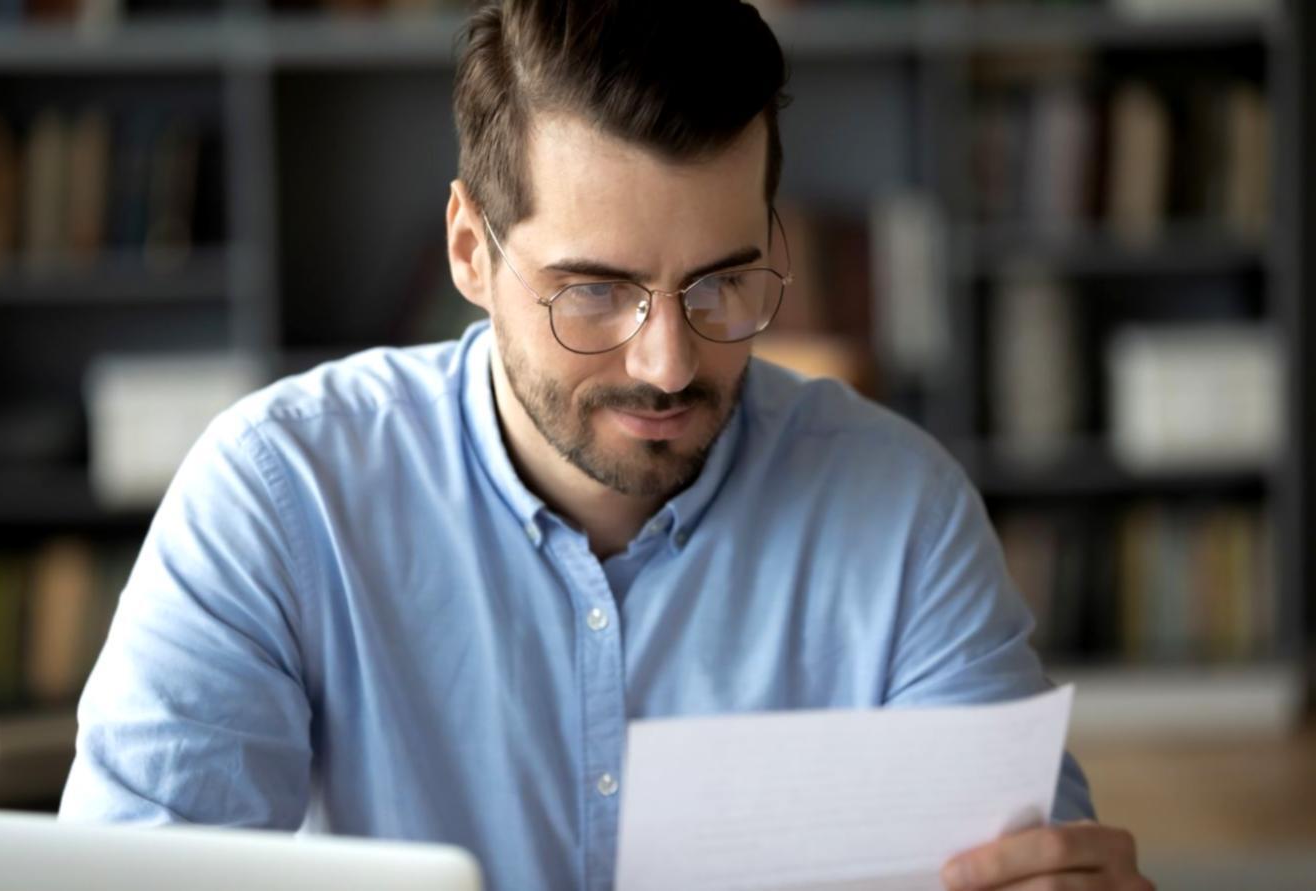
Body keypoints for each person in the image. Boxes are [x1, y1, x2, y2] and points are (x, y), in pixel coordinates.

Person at [60, 2, 1152, 889]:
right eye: (595, 291)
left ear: (774, 246)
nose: (667, 363)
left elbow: (1015, 858)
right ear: (467, 252)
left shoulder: (900, 511)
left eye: (720, 283)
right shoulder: (277, 496)